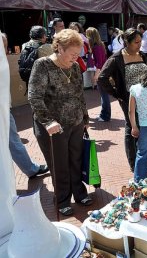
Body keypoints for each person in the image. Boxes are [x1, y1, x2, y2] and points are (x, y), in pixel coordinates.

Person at [28, 29, 93, 216]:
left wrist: (85, 118)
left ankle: (79, 193)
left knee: (76, 160)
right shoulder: (43, 65)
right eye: (73, 54)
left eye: (78, 54)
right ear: (59, 48)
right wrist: (48, 122)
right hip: (53, 127)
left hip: (75, 122)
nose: (76, 58)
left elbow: (80, 94)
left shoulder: (73, 67)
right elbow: (34, 96)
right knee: (59, 164)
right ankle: (62, 199)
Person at [98, 28, 146, 172]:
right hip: (127, 98)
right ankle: (133, 162)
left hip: (145, 98)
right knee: (131, 126)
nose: (139, 45)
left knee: (142, 125)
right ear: (127, 42)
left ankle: (142, 156)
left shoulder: (142, 54)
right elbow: (102, 78)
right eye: (136, 42)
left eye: (140, 41)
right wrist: (116, 94)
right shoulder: (117, 58)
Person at [3, 33, 49, 179]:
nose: (5, 50)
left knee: (13, 140)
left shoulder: (24, 48)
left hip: (6, 106)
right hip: (3, 109)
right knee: (13, 140)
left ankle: (30, 169)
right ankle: (30, 169)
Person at [86, 27, 110, 122]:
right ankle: (104, 114)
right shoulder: (98, 45)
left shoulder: (97, 47)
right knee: (103, 95)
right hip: (102, 72)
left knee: (104, 95)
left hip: (101, 73)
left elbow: (99, 63)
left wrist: (96, 75)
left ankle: (105, 116)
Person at [19, 26, 53, 91]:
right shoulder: (46, 47)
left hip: (29, 78)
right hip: (42, 80)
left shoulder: (24, 45)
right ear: (43, 36)